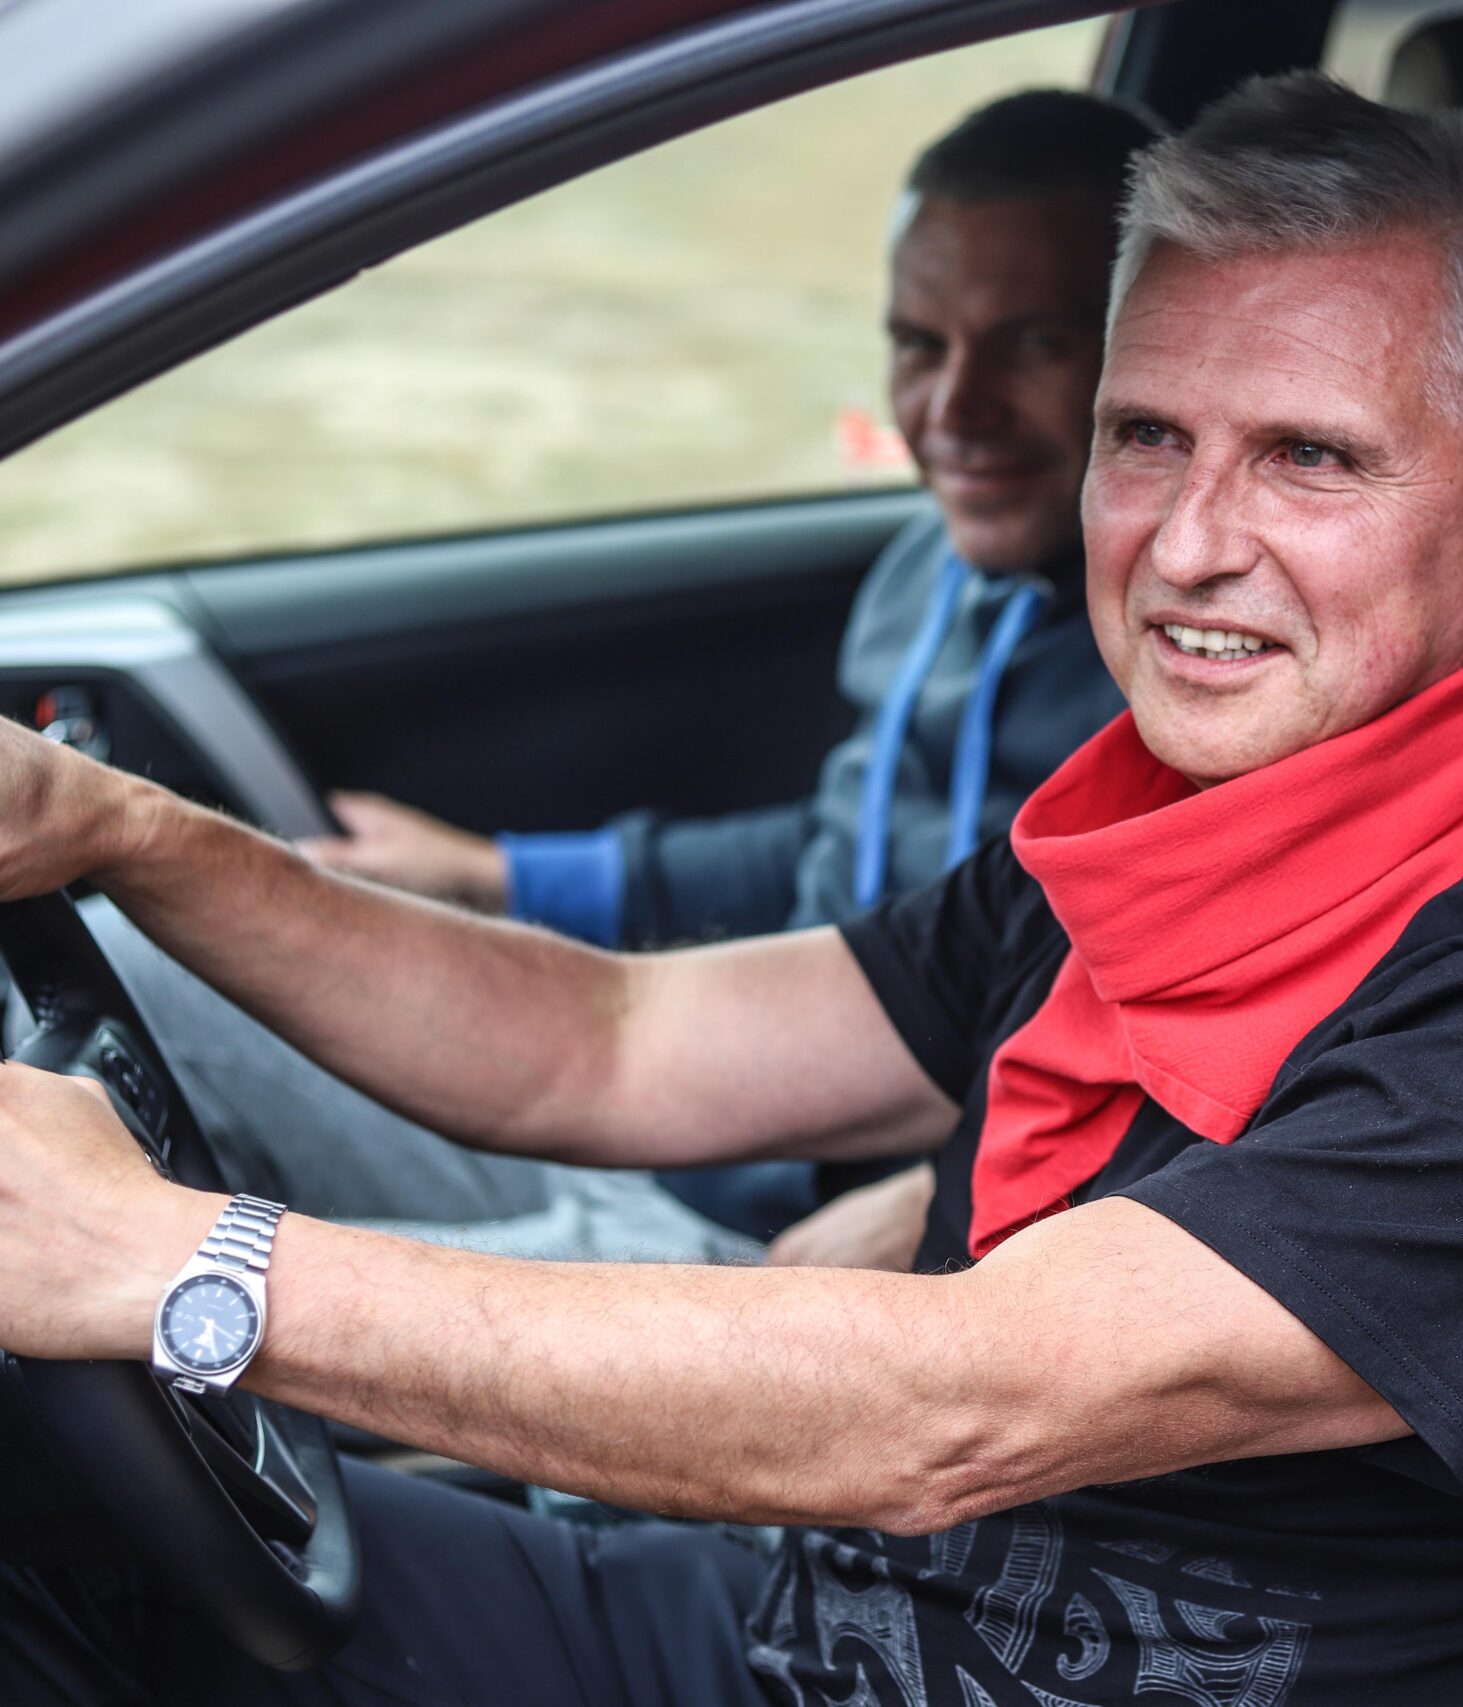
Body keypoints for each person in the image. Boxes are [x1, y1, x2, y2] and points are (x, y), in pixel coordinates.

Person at [0, 74, 1463, 1705]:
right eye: (1147, 436)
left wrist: (182, 1262)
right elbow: (614, 1043)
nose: (1187, 545)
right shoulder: (1157, 831)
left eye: (1309, 459)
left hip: (867, 1570)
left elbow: (955, 1404)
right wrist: (127, 831)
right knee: (69, 1555)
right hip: (813, 1609)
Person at [120, 88, 1152, 1268]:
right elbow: (839, 845)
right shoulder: (927, 573)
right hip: (696, 1135)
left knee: (175, 1280)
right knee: (149, 958)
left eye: (1034, 342)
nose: (955, 409)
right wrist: (500, 876)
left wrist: (945, 1190)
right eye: (919, 345)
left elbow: (1194, 1021)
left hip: (833, 1252)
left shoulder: (1177, 677)